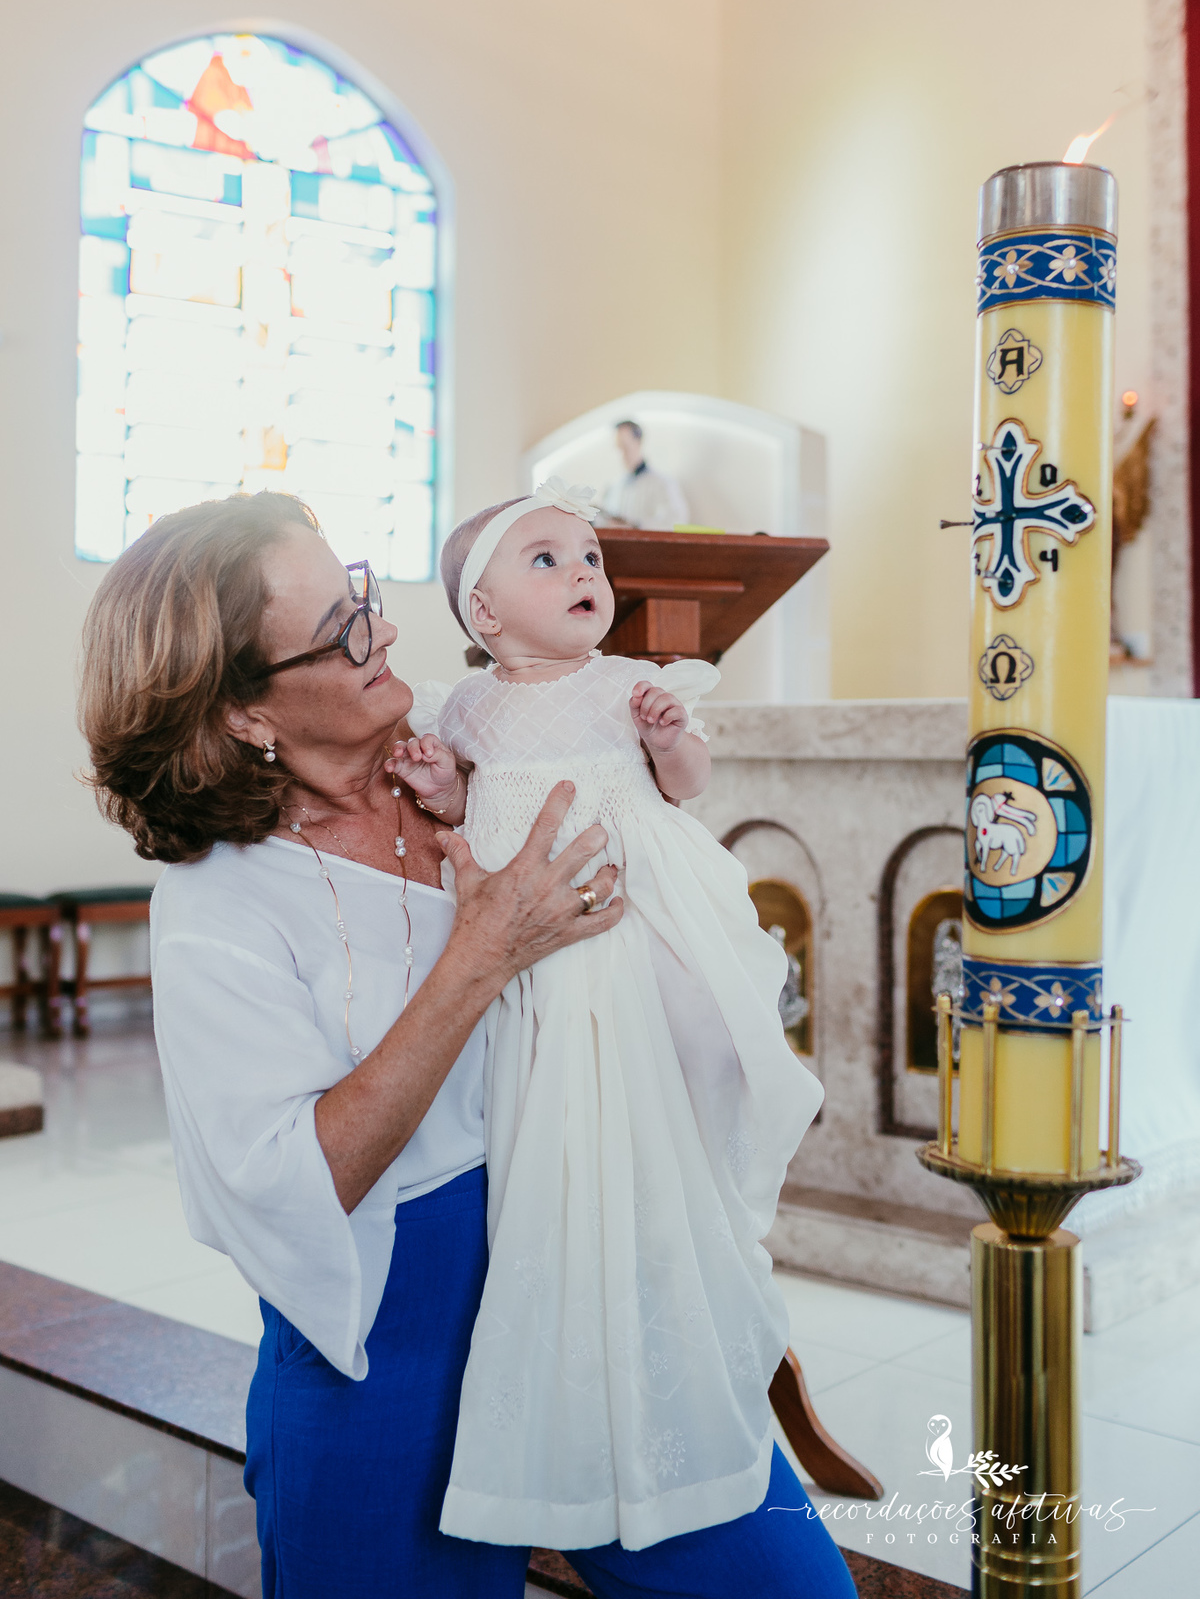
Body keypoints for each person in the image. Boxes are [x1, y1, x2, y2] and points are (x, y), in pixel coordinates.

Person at [76, 488, 855, 1599]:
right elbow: (299, 1178)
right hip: (392, 1354)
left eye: (362, 592)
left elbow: (638, 820)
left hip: (597, 1278)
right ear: (248, 713)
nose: (386, 626)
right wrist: (482, 951)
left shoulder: (460, 734)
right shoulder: (221, 905)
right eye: (345, 629)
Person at [392, 477, 824, 1554]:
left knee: (714, 1036)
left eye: (590, 557)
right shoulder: (466, 706)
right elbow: (465, 800)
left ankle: (710, 1175)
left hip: (647, 902)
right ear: (483, 614)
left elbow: (686, 783)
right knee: (570, 1095)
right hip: (548, 939)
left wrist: (672, 734)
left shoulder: (629, 678)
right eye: (547, 559)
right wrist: (442, 785)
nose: (584, 574)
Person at [601, 419, 689, 530]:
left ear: (638, 442)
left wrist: (636, 525)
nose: (622, 453)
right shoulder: (614, 486)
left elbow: (676, 520)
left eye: (625, 446)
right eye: (619, 447)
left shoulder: (663, 482)